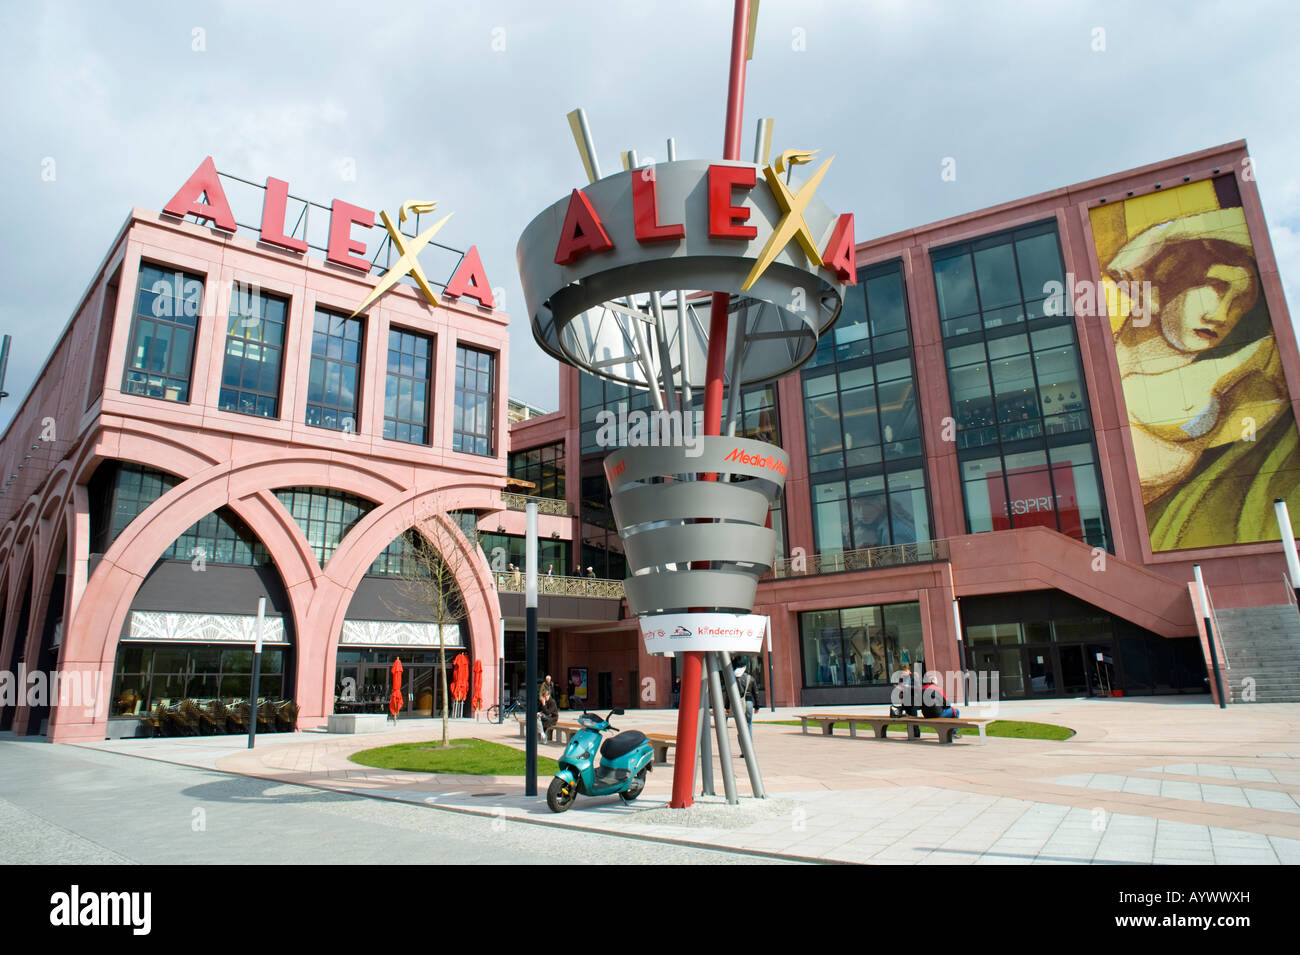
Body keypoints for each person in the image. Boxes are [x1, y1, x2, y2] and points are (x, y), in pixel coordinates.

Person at [1103, 204, 1300, 549]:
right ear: (1163, 281)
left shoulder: (1245, 372)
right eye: (1215, 286)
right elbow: (1129, 262)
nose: (1223, 315)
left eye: (1242, 301)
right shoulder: (1099, 355)